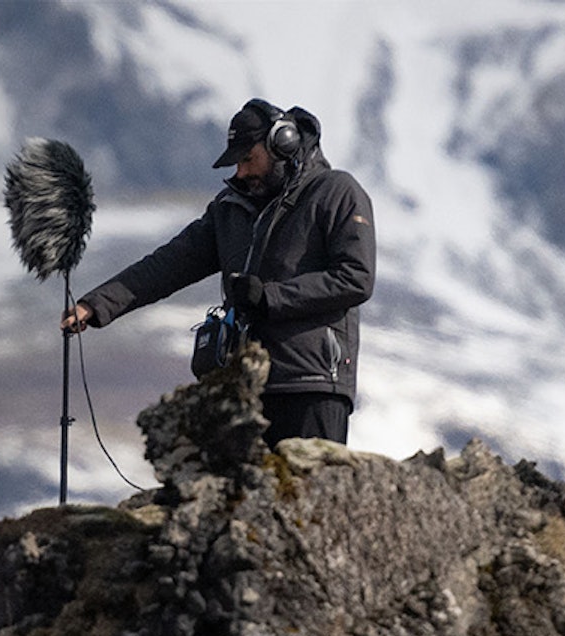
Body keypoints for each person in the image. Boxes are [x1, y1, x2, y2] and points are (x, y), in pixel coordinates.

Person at [61, 98, 375, 443]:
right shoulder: (228, 210)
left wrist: (269, 298)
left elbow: (355, 278)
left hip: (313, 384)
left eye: (247, 159)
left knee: (314, 496)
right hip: (243, 387)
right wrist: (96, 305)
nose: (240, 172)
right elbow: (168, 264)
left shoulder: (336, 191)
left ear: (282, 144)